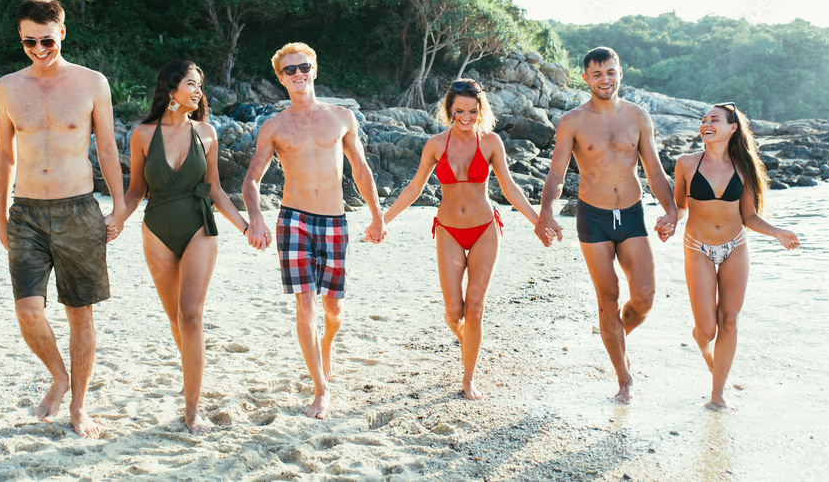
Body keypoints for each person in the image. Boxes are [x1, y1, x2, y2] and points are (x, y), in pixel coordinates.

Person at [0, 0, 126, 438]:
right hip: (26, 213)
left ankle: (80, 405)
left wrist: (120, 206)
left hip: (78, 209)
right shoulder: (7, 87)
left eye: (47, 41)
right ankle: (59, 375)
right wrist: (0, 215)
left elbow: (107, 148)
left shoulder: (92, 83)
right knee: (28, 310)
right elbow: (5, 154)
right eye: (29, 42)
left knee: (79, 312)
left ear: (62, 33)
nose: (39, 50)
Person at [242, 42, 386, 419]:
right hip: (294, 221)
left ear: (314, 69)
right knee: (305, 303)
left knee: (333, 308)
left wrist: (377, 215)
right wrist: (256, 218)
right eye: (289, 70)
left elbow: (361, 169)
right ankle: (321, 388)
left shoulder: (341, 117)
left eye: (303, 67)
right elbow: (252, 180)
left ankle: (327, 345)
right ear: (280, 78)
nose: (298, 74)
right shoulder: (274, 127)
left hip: (335, 220)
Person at [382, 79, 544, 400]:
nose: (466, 117)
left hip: (485, 229)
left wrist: (538, 221)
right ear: (449, 110)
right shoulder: (434, 145)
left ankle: (468, 378)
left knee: (475, 309)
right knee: (454, 312)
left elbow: (510, 189)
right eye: (459, 111)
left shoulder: (491, 143)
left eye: (473, 111)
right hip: (448, 231)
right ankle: (469, 338)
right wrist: (382, 219)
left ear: (480, 109)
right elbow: (414, 188)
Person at [535, 46, 677, 404]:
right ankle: (624, 378)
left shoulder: (638, 116)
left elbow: (655, 170)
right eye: (597, 74)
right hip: (593, 217)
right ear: (586, 78)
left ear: (620, 73)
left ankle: (614, 336)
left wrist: (672, 211)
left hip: (631, 213)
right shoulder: (572, 121)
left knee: (644, 298)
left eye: (610, 72)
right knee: (608, 299)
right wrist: (545, 212)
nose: (605, 79)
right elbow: (557, 171)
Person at [121, 60, 251, 433]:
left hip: (199, 226)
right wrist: (115, 219)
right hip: (157, 230)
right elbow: (135, 191)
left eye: (200, 85)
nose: (198, 91)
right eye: (192, 84)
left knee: (191, 314)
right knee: (177, 320)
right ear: (171, 88)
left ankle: (192, 411)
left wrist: (245, 227)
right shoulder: (143, 134)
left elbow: (214, 188)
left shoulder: (206, 132)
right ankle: (193, 374)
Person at [673, 102, 799, 410]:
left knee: (729, 322)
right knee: (707, 329)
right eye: (703, 119)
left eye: (714, 119)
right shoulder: (686, 163)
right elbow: (679, 207)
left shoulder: (744, 168)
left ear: (732, 128)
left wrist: (776, 232)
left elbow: (749, 217)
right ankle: (705, 349)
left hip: (735, 247)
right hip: (697, 247)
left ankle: (717, 396)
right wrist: (668, 221)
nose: (706, 122)